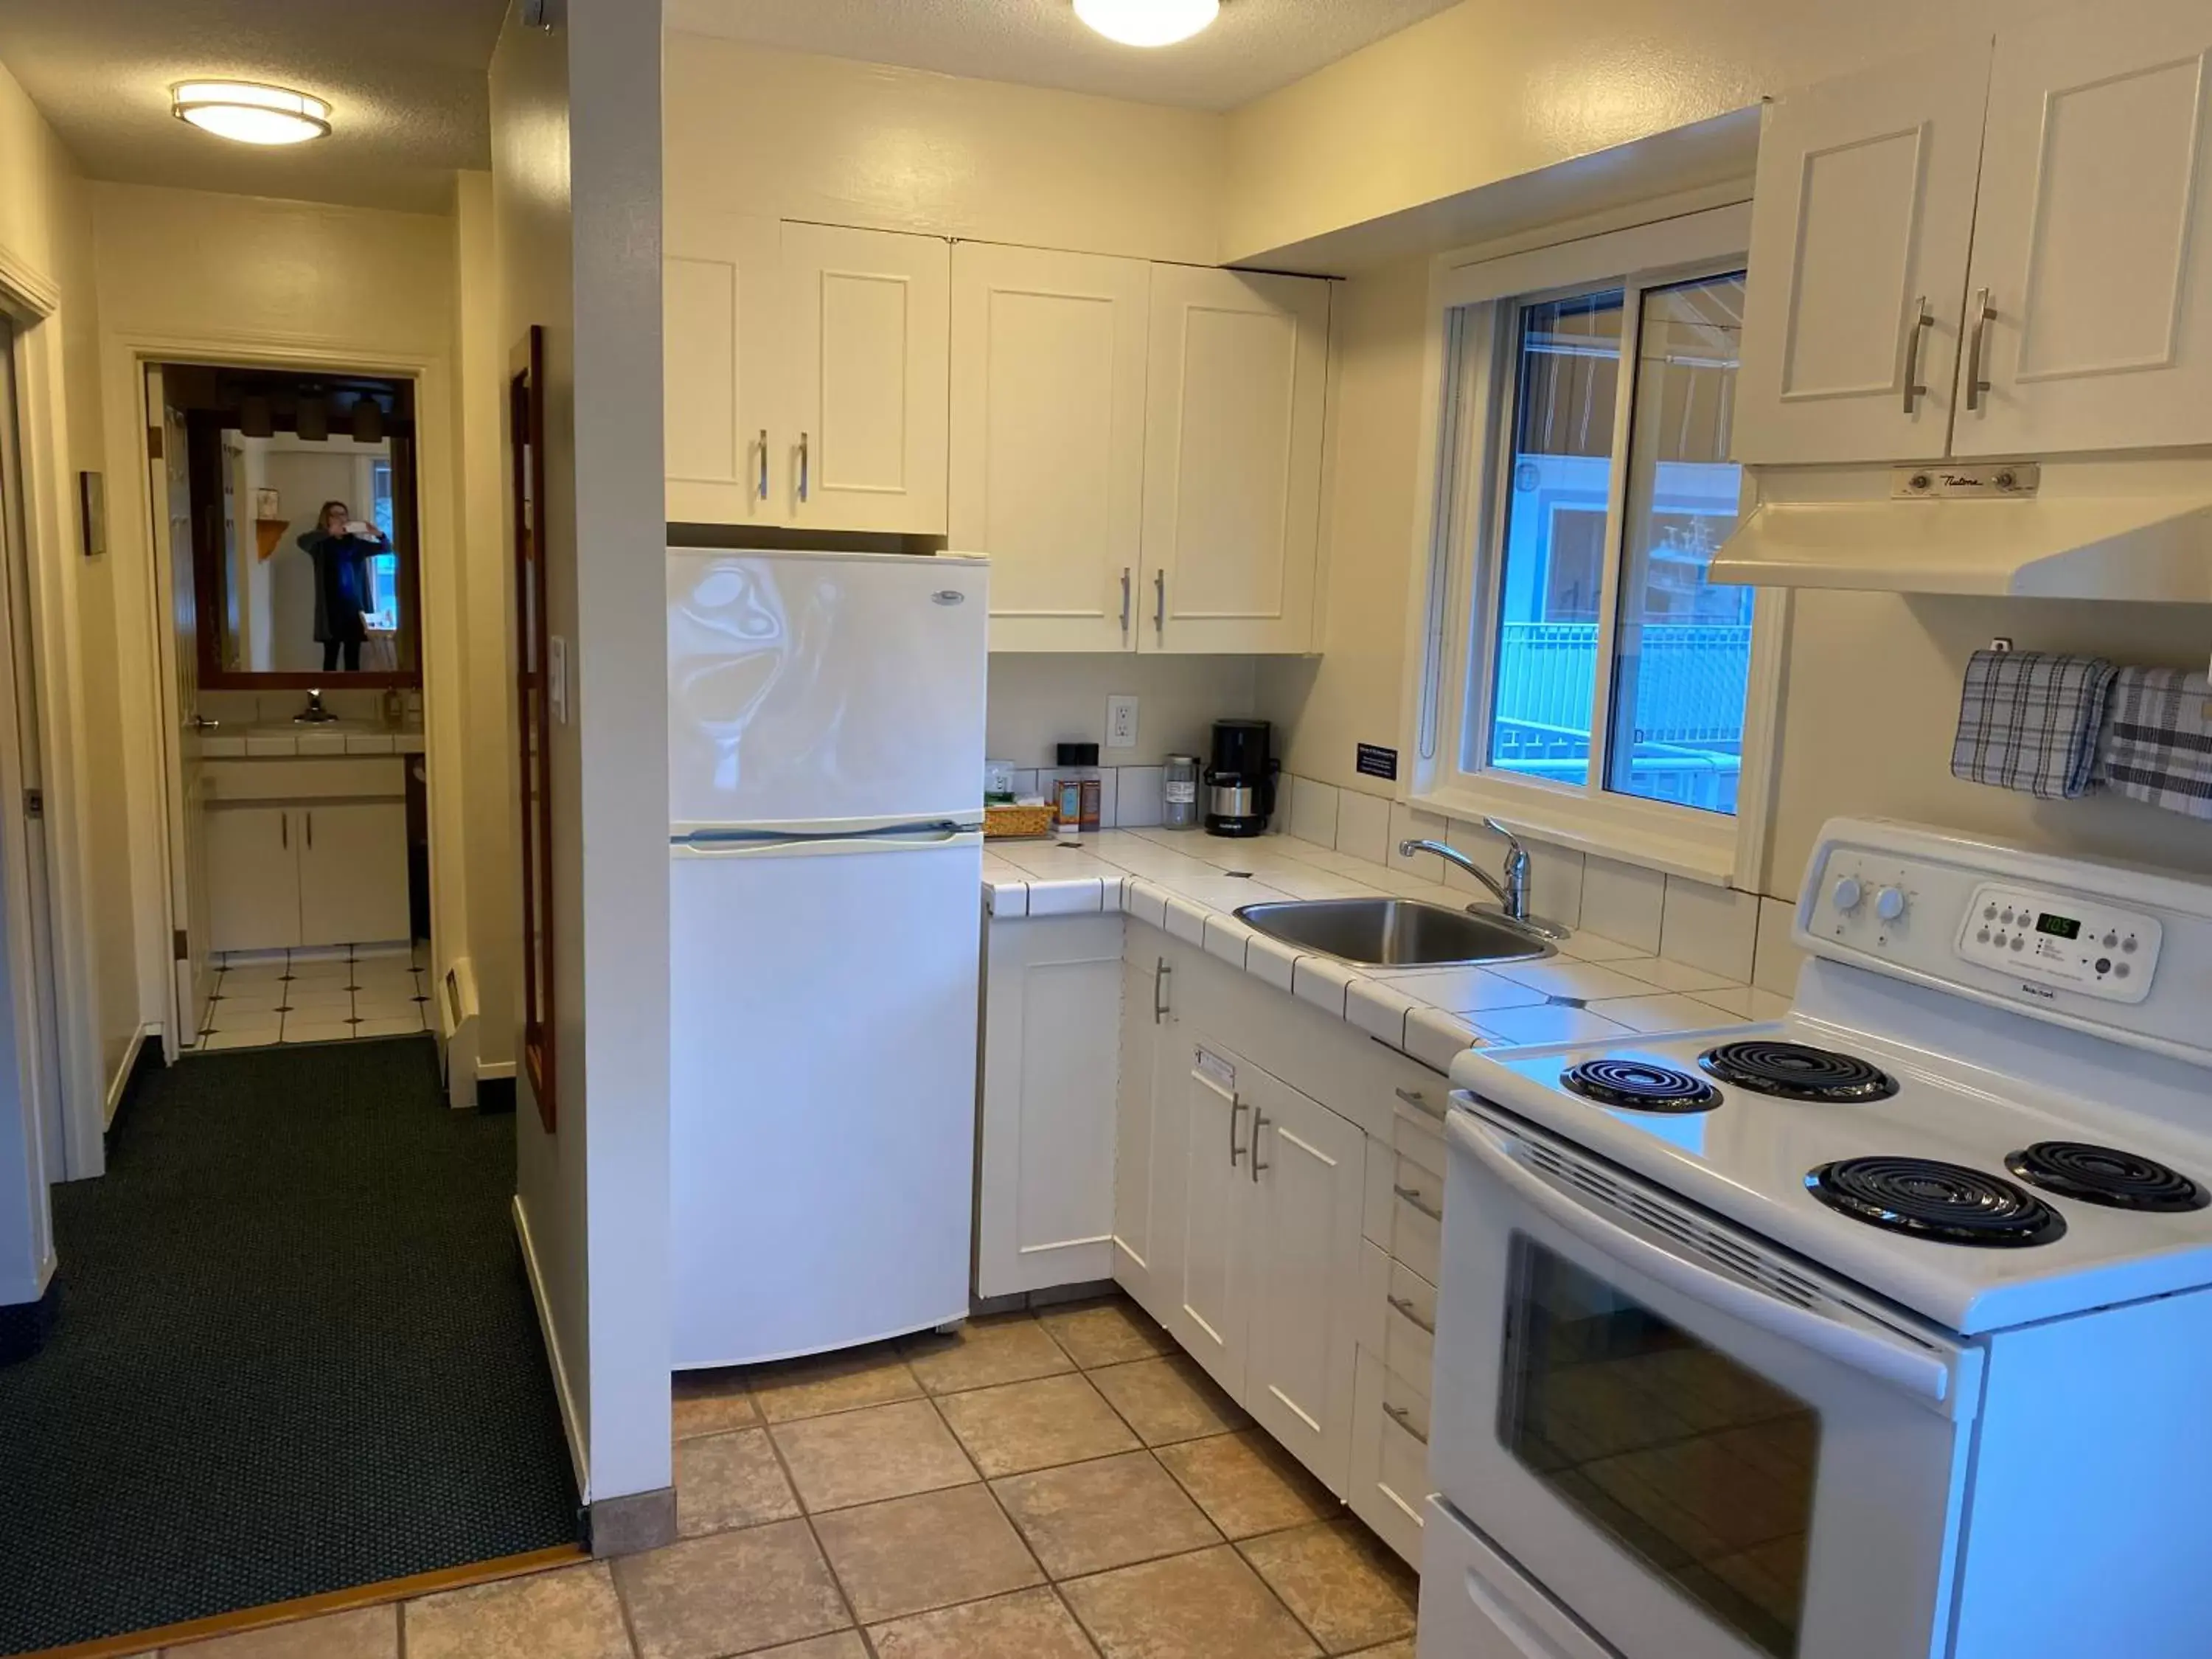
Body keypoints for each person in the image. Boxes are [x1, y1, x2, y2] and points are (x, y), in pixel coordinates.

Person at [296, 501, 386, 672]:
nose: (340, 518)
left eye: (343, 514)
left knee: (353, 660)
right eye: (334, 514)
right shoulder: (320, 545)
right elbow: (301, 541)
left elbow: (386, 548)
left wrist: (377, 533)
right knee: (330, 658)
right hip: (331, 612)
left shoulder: (357, 544)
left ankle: (353, 697)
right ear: (326, 519)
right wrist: (329, 533)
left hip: (354, 609)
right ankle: (329, 696)